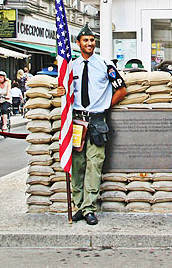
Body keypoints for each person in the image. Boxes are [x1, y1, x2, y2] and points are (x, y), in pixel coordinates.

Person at [57, 24, 127, 225]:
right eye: (85, 40)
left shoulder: (105, 65)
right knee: (78, 165)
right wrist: (61, 92)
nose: (89, 43)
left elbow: (121, 89)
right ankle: (79, 205)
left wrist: (104, 107)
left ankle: (89, 208)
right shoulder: (71, 66)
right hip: (77, 121)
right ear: (78, 43)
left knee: (94, 164)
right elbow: (65, 89)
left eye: (92, 40)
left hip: (96, 120)